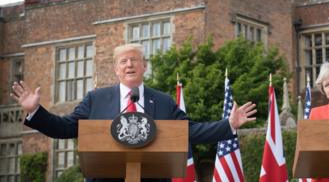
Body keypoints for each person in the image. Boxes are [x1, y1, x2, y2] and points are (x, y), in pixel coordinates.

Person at [11, 43, 256, 182]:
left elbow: (188, 132)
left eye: (135, 60)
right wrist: (36, 111)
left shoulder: (162, 101)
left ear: (144, 66)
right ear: (116, 69)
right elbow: (65, 128)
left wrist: (229, 124)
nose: (129, 65)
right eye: (124, 61)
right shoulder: (96, 99)